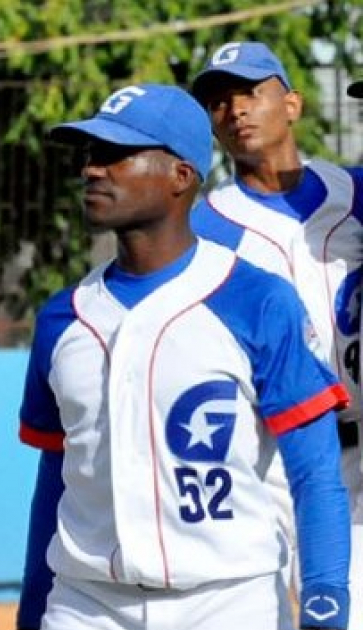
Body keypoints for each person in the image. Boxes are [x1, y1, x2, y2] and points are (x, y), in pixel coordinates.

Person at [16, 83, 351, 630]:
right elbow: (55, 479)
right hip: (87, 602)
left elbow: (315, 470)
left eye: (116, 154)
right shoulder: (62, 319)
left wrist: (324, 597)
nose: (93, 170)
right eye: (90, 155)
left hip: (229, 599)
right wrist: (32, 608)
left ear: (181, 175)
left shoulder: (257, 299)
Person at [188, 41, 363, 627]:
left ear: (292, 104)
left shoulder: (357, 195)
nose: (234, 109)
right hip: (270, 464)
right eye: (217, 101)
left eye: (249, 93)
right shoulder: (202, 226)